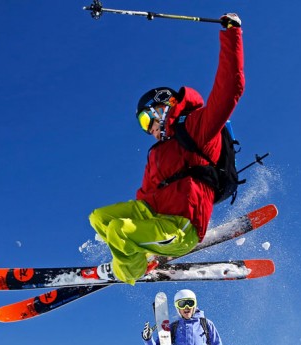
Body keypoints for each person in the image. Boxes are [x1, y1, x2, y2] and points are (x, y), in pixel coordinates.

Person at [89, 13, 245, 285]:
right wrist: (133, 222)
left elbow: (230, 88)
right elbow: (145, 196)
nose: (148, 129)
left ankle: (131, 269)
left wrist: (231, 34)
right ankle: (137, 252)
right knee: (101, 218)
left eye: (147, 119)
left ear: (163, 105)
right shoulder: (157, 152)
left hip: (182, 227)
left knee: (119, 231)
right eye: (142, 124)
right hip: (154, 215)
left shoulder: (198, 127)